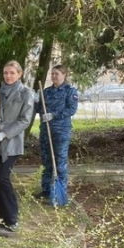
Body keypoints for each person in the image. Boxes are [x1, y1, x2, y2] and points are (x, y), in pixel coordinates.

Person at [0, 61, 34, 232]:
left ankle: (12, 219)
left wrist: (4, 133)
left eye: (12, 73)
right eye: (6, 73)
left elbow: (25, 120)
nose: (8, 76)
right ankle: (5, 218)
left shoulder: (26, 93)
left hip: (12, 143)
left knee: (3, 177)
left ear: (19, 74)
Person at [36, 65, 78, 204]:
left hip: (61, 131)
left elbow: (71, 109)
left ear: (64, 75)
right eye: (52, 73)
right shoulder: (46, 92)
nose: (54, 76)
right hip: (46, 130)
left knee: (60, 162)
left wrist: (53, 115)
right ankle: (46, 190)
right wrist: (35, 100)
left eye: (57, 74)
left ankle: (60, 193)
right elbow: (39, 108)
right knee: (47, 160)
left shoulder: (70, 91)